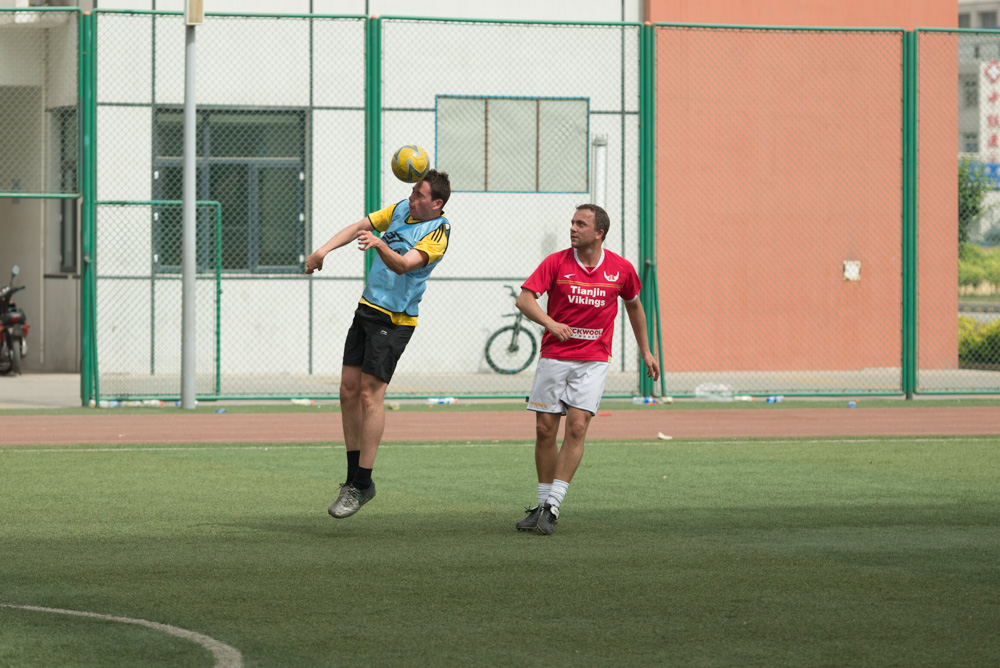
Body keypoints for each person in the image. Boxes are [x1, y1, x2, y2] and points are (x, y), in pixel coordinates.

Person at [305, 170, 451, 519]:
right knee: (348, 391)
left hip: (394, 320)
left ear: (436, 203)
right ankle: (352, 479)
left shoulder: (438, 232)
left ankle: (362, 483)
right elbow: (359, 226)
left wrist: (380, 243)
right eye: (413, 191)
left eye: (419, 195)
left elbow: (403, 265)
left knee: (370, 395)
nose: (412, 198)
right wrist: (322, 250)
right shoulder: (400, 208)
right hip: (367, 308)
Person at [514, 203, 659, 535]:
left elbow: (634, 307)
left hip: (593, 359)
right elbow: (525, 300)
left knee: (577, 427)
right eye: (572, 222)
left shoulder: (621, 269)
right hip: (554, 356)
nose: (573, 228)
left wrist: (645, 350)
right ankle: (541, 504)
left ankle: (553, 506)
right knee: (544, 430)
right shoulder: (556, 262)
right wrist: (551, 323)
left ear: (599, 233)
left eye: (581, 224)